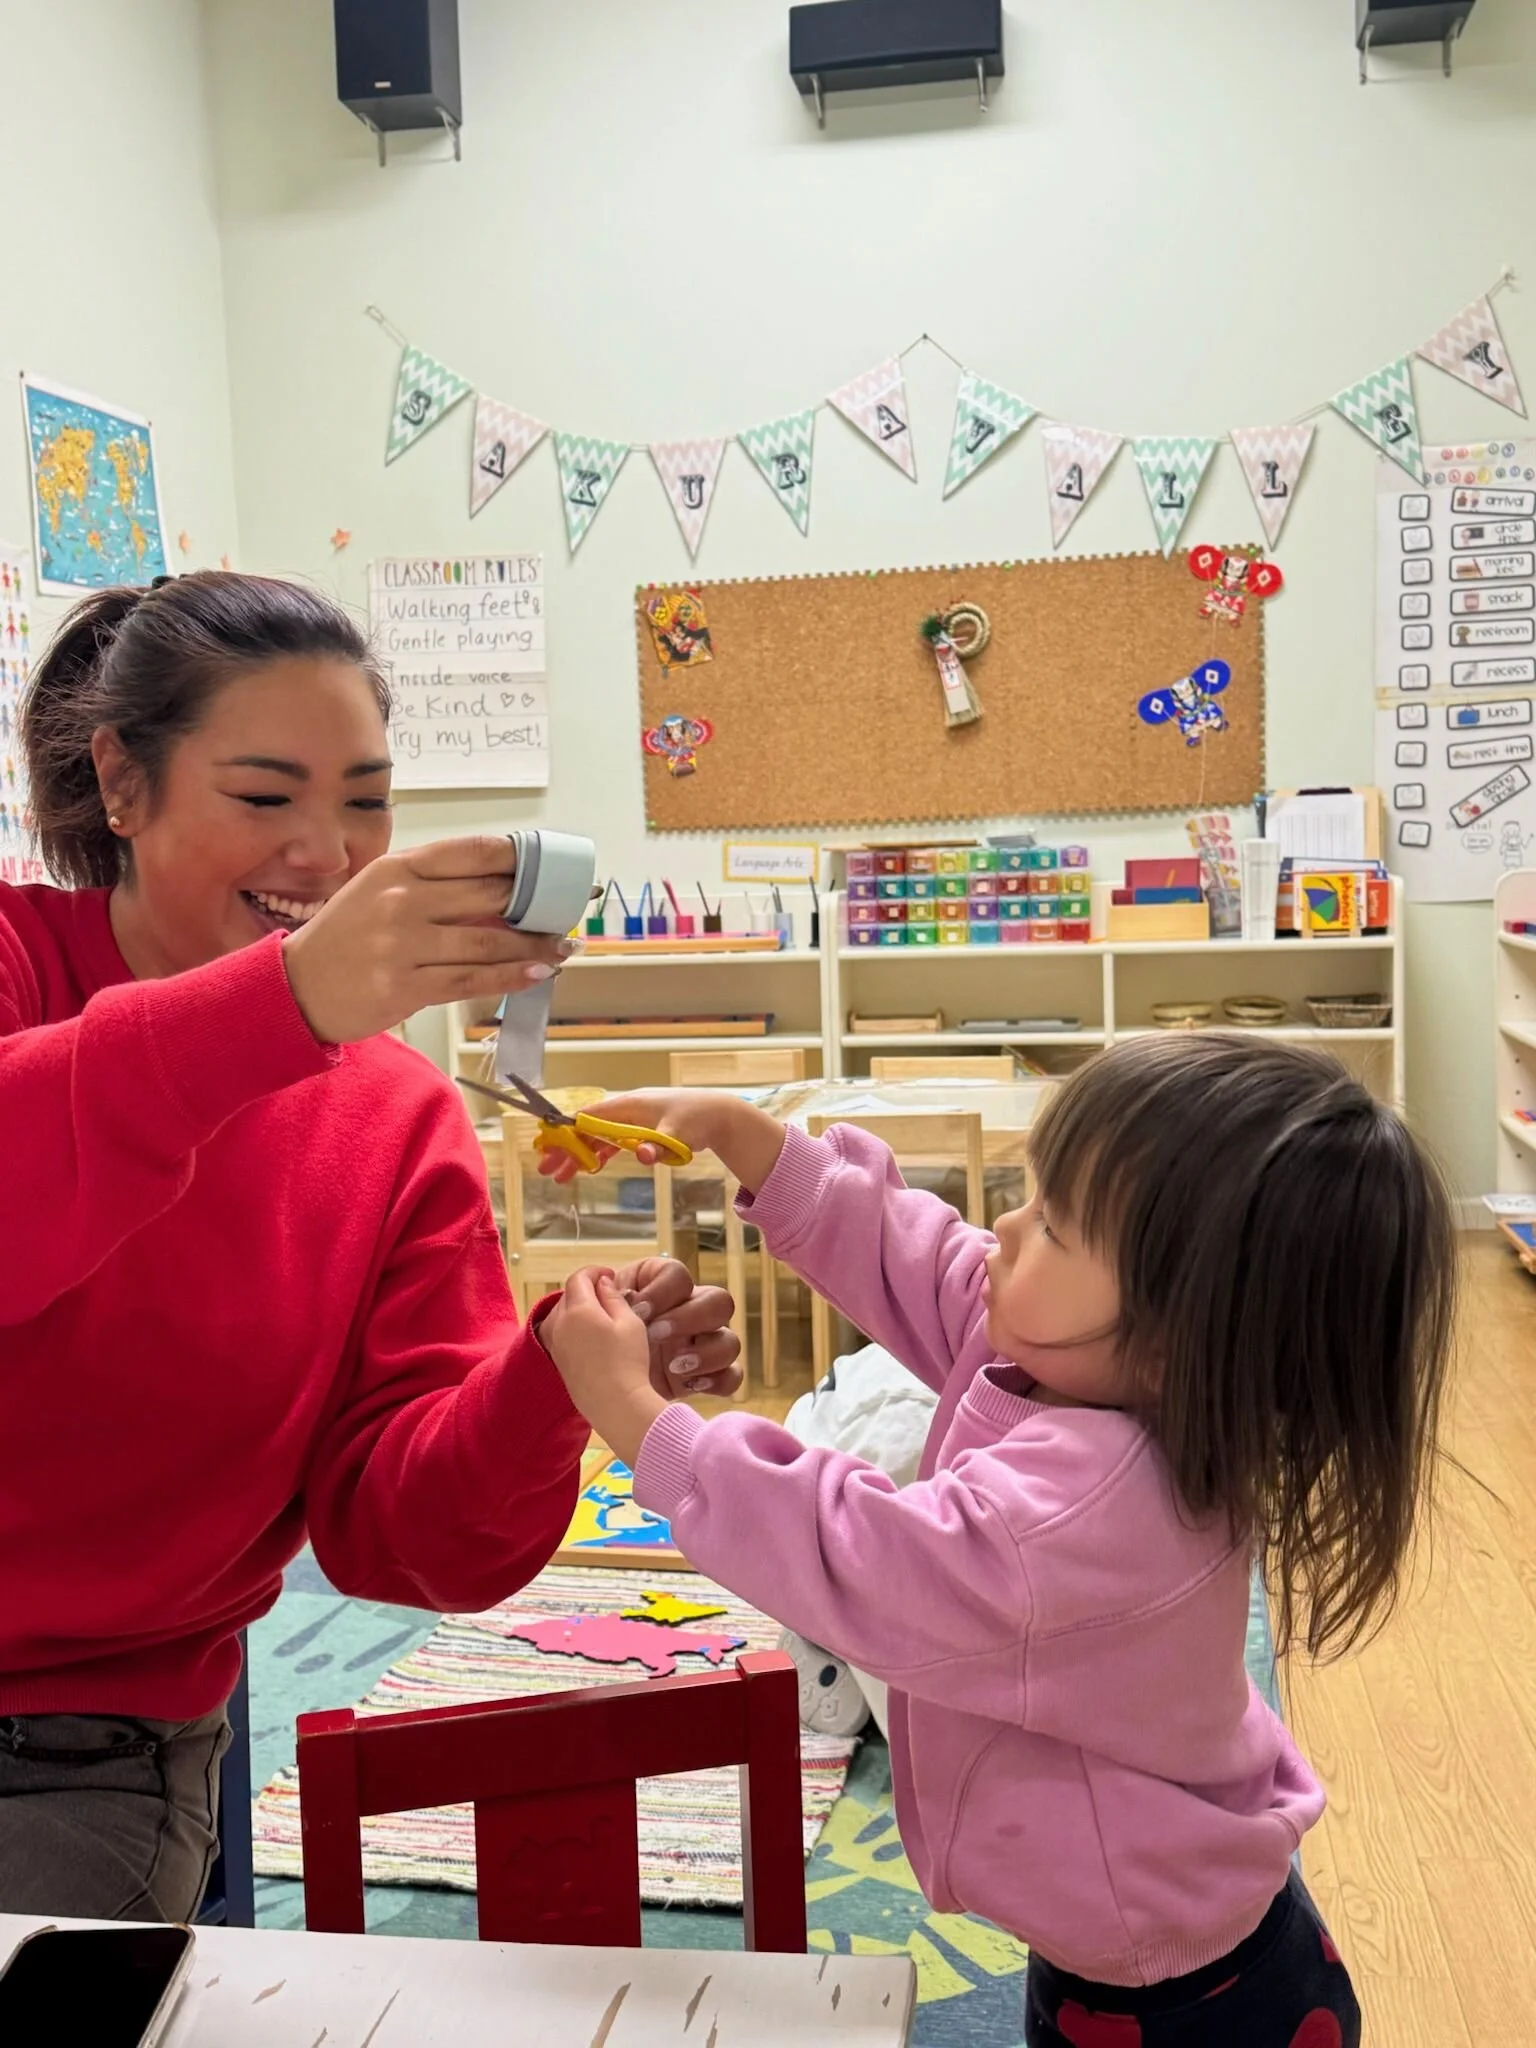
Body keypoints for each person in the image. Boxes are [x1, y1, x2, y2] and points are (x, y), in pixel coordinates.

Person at [0, 571, 741, 1923]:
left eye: (366, 800)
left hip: (80, 1740)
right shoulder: (13, 962)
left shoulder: (394, 1118)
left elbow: (407, 1538)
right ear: (122, 781)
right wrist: (272, 1009)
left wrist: (549, 1383)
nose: (328, 856)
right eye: (266, 796)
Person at [537, 1035, 1460, 2047]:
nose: (1005, 1230)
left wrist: (634, 1412)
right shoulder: (1113, 1365)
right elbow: (923, 1256)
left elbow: (855, 1553)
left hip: (1183, 2000)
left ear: (1175, 1329)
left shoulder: (1087, 1507)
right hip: (1141, 1930)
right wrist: (744, 1134)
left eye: (1054, 1224)